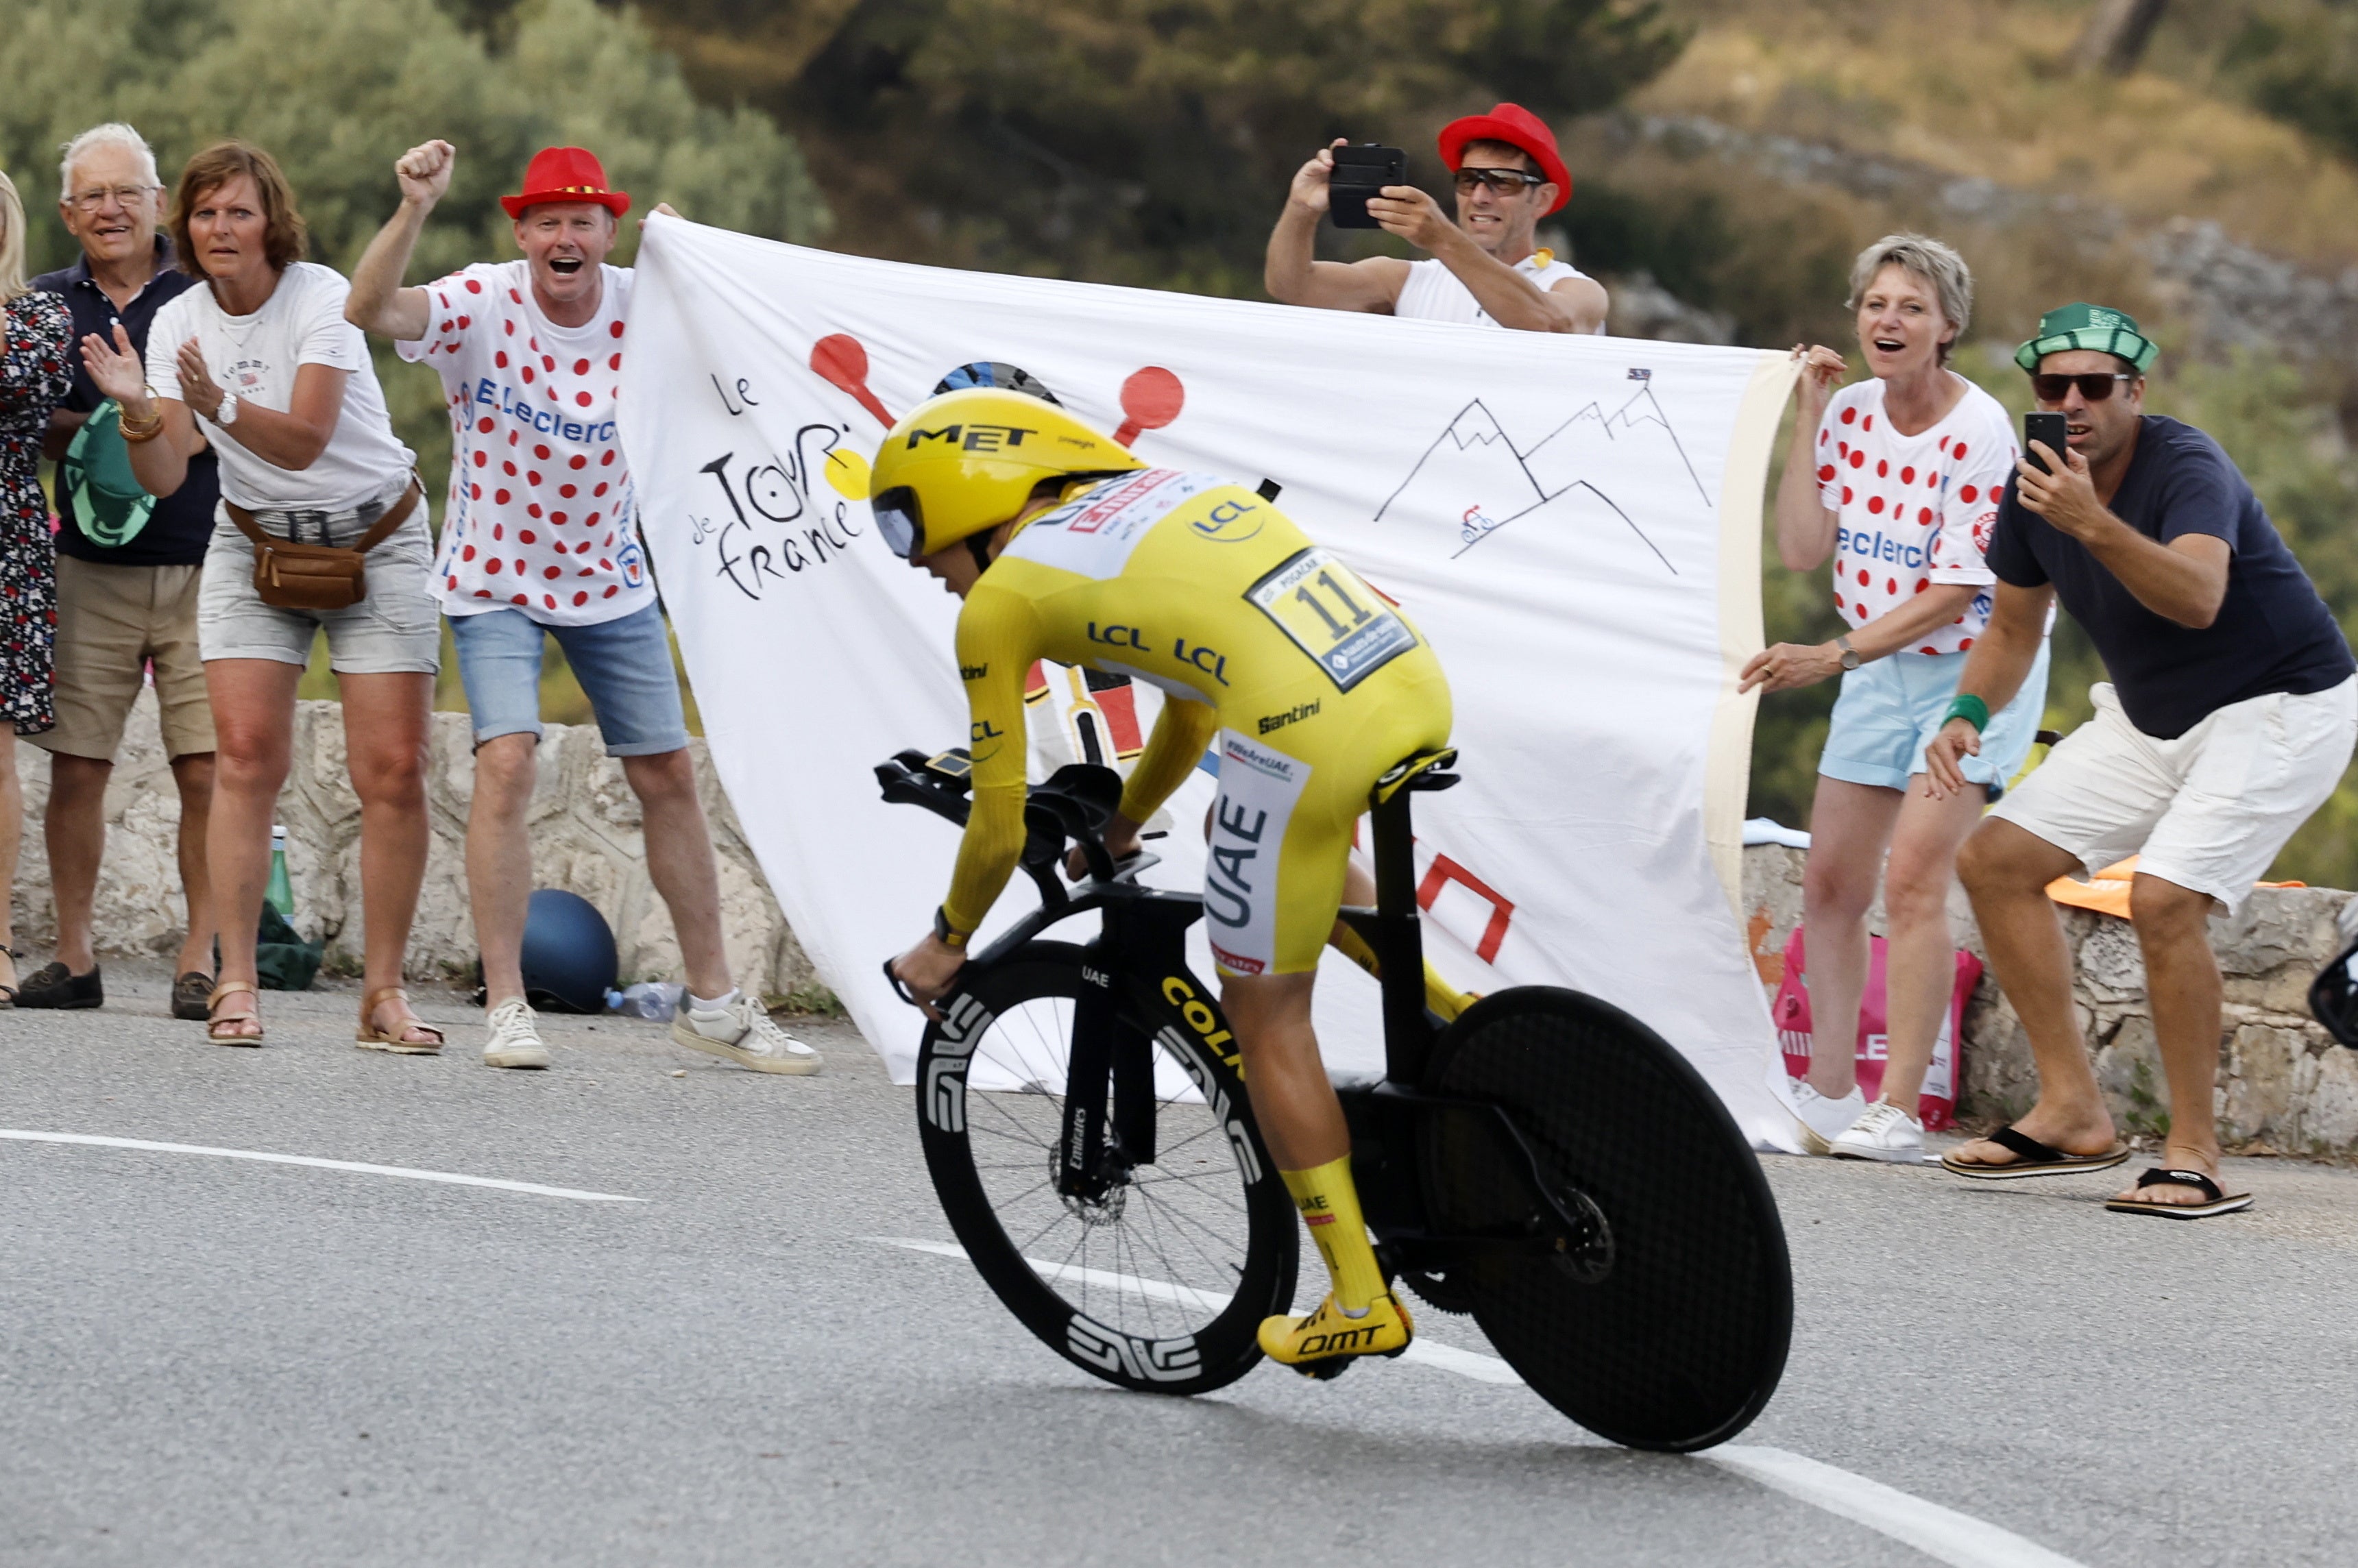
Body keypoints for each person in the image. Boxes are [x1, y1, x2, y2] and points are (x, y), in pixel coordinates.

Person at [882, 387, 1453, 1373]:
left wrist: (947, 940)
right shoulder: (1162, 494)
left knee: (1263, 1009)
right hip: (1407, 679)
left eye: (916, 537)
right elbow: (1190, 714)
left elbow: (999, 816)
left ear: (969, 502)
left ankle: (1358, 1296)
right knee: (1302, 857)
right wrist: (1125, 826)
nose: (924, 570)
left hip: (1304, 731)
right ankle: (1466, 1029)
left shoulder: (1004, 599)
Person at [343, 140, 818, 1075]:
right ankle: (511, 1005)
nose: (567, 237)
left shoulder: (645, 303)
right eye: (548, 221)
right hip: (496, 576)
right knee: (509, 763)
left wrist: (702, 262)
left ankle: (716, 1003)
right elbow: (368, 310)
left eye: (585, 220)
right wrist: (413, 209)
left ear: (609, 231)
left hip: (610, 576)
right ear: (522, 233)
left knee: (669, 776)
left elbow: (753, 345)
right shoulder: (483, 301)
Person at [1928, 303, 2357, 1218]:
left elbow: (2198, 596)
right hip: (2151, 717)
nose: (2074, 402)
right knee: (1995, 862)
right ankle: (2072, 1111)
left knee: (2162, 898)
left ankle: (2193, 1154)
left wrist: (2092, 522)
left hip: (2280, 705)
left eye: (2096, 385)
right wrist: (1967, 712)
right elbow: (2011, 627)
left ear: (2136, 392)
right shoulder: (2034, 483)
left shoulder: (2186, 463)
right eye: (2055, 387)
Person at [79, 140, 443, 1051]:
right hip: (253, 544)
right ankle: (234, 982)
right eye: (204, 214)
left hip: (375, 533)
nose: (219, 229)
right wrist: (138, 408)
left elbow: (309, 440)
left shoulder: (320, 297)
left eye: (238, 211)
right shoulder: (178, 321)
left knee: (392, 769)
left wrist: (219, 406)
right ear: (186, 227)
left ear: (271, 221)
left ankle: (384, 996)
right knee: (242, 760)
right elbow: (165, 478)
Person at [1744, 234, 2051, 1165]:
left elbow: (1960, 591)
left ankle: (1900, 1105)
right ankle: (1827, 1091)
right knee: (1832, 882)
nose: (1890, 321)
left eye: (1912, 307)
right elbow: (1802, 548)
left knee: (1915, 876)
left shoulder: (1981, 428)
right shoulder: (1850, 415)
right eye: (1877, 304)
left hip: (1968, 671)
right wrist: (1808, 415)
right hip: (1876, 665)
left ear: (1947, 328)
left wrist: (1829, 655)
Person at [27, 123, 220, 1020]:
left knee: (207, 770)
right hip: (89, 565)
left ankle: (201, 956)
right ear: (68, 212)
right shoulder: (39, 303)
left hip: (205, 561)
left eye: (127, 193)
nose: (111, 209)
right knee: (78, 767)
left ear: (156, 204)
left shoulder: (209, 293)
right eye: (92, 196)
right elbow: (25, 419)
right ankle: (74, 957)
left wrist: (145, 405)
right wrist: (100, 416)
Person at [1265, 102, 1607, 332]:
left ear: (1543, 199)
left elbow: (1547, 323)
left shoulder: (1576, 289)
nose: (1480, 197)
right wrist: (1301, 208)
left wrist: (1443, 238)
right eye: (1468, 179)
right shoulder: (1405, 279)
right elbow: (1291, 286)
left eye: (1503, 183)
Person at [0, 168, 75, 1005]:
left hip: (5, 549)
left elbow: (18, 383)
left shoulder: (38, 316)